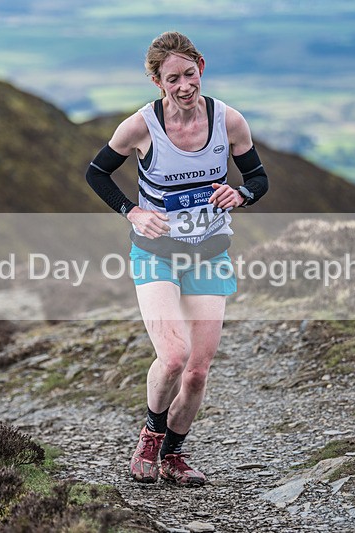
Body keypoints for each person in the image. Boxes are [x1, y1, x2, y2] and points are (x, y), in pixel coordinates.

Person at [85, 31, 268, 486]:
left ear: (201, 67)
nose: (184, 85)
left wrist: (240, 194)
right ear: (156, 81)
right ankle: (150, 434)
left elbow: (258, 177)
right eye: (173, 78)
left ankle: (173, 455)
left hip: (209, 254)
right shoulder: (140, 127)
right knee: (172, 357)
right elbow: (96, 172)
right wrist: (132, 213)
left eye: (190, 73)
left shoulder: (229, 122)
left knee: (198, 371)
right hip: (157, 256)